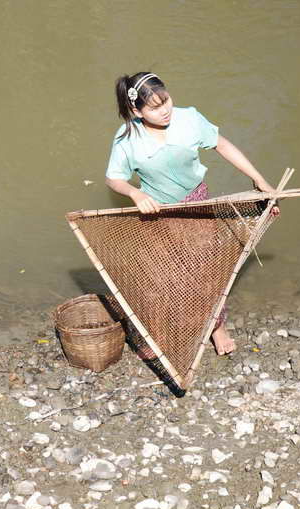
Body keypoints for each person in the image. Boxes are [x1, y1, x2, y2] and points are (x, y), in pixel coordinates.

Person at [104, 72, 277, 355]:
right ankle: (156, 333)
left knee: (205, 271)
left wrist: (258, 179)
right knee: (157, 277)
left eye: (167, 100)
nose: (165, 110)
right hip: (157, 210)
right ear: (137, 111)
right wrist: (136, 194)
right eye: (155, 107)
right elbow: (113, 179)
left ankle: (217, 327)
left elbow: (222, 144)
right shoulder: (127, 138)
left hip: (196, 202)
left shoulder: (189, 119)